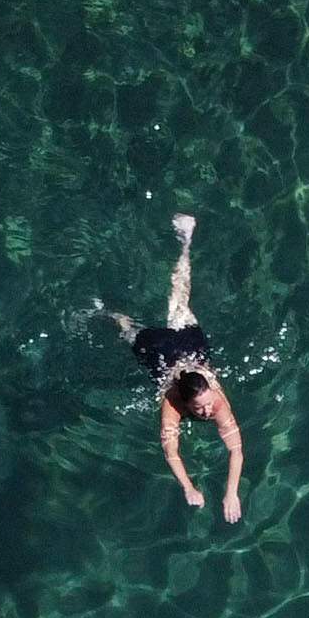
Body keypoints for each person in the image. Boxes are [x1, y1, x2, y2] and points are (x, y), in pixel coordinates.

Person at [98, 211, 249, 523]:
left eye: (207, 405)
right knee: (127, 330)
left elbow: (236, 449)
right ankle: (102, 312)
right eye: (201, 408)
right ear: (186, 400)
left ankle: (185, 241)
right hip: (162, 354)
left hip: (192, 348)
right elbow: (172, 452)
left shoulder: (216, 400)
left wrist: (231, 492)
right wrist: (188, 487)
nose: (208, 412)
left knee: (181, 298)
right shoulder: (173, 403)